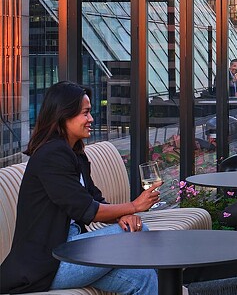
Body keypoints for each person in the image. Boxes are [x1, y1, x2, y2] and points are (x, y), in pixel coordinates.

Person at [0, 81, 162, 295]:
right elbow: (86, 210)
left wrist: (120, 217)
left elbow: (94, 198)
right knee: (138, 233)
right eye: (85, 113)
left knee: (144, 277)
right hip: (49, 263)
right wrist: (133, 207)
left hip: (74, 251)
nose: (91, 119)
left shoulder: (74, 152)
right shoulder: (51, 155)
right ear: (64, 115)